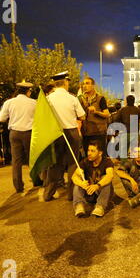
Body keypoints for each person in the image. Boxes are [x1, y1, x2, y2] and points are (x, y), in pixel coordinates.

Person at [44, 71, 86, 201]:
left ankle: (48, 193)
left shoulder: (48, 99)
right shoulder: (72, 98)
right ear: (66, 83)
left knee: (55, 163)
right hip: (71, 132)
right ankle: (71, 194)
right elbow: (82, 116)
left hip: (55, 133)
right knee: (72, 162)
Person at [0, 81, 36, 193]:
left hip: (14, 133)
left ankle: (18, 186)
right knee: (32, 159)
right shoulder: (34, 102)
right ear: (28, 91)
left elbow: (1, 119)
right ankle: (36, 180)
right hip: (29, 133)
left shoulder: (9, 102)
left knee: (16, 160)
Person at [71, 141, 114, 218]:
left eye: (92, 151)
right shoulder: (85, 162)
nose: (89, 153)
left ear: (100, 153)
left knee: (106, 180)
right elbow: (74, 176)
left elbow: (110, 175)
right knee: (78, 182)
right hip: (88, 192)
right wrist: (81, 183)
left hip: (101, 192)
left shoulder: (107, 162)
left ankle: (100, 206)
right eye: (88, 150)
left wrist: (97, 185)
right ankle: (79, 206)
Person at [78, 77, 110, 154]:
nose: (84, 86)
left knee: (100, 155)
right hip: (86, 133)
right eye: (83, 84)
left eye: (87, 83)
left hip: (98, 132)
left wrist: (96, 112)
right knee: (88, 155)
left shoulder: (100, 98)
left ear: (93, 85)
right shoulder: (80, 99)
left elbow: (107, 114)